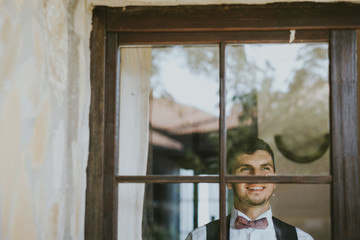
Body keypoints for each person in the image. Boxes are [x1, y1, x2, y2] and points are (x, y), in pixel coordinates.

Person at [185, 138, 314, 240]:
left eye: (265, 168)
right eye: (245, 169)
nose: (256, 178)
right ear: (228, 181)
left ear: (274, 180)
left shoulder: (301, 239)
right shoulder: (199, 238)